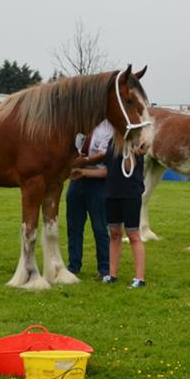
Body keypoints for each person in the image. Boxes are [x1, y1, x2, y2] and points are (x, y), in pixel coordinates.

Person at [77, 138, 147, 288]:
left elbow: (128, 169)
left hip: (130, 194)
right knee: (114, 233)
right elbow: (107, 171)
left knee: (133, 234)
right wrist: (83, 172)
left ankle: (139, 278)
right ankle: (112, 274)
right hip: (111, 193)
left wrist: (132, 152)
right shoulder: (111, 142)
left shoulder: (135, 141)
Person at [65, 119, 113, 280]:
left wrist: (84, 161)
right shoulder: (80, 122)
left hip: (97, 182)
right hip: (76, 180)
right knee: (74, 227)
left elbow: (104, 154)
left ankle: (104, 269)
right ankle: (73, 266)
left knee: (100, 228)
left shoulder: (108, 128)